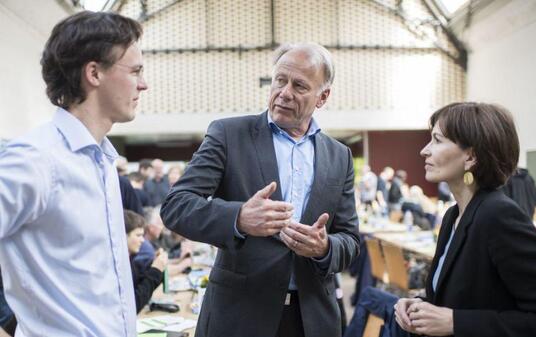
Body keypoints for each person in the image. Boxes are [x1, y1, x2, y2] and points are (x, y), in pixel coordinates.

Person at [161, 43, 360, 337]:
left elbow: (350, 239)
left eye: (299, 85)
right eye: (280, 79)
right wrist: (238, 217)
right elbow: (176, 206)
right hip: (240, 317)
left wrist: (325, 248)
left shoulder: (339, 155)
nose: (284, 92)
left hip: (312, 320)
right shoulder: (228, 135)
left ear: (323, 96)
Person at [0, 11, 147, 336]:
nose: (143, 83)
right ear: (94, 73)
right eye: (135, 71)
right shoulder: (36, 160)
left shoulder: (103, 162)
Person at [394, 102, 536, 337]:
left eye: (437, 140)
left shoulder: (498, 216)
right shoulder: (454, 215)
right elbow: (456, 296)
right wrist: (419, 304)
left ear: (470, 157)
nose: (424, 150)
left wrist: (455, 322)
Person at [124, 210, 167, 313]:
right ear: (124, 236)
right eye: (138, 235)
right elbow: (135, 304)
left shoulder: (130, 260)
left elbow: (143, 288)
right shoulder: (118, 267)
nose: (142, 240)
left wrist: (155, 266)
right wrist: (155, 271)